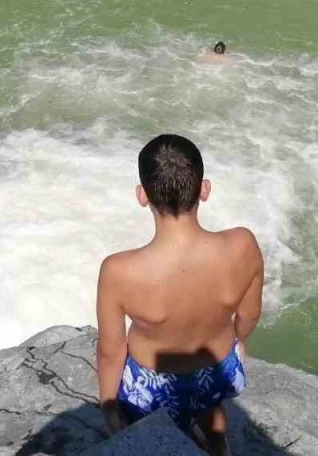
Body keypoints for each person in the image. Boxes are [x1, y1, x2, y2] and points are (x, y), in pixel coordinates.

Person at [96, 135, 264, 456]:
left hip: (154, 387)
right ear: (205, 189)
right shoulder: (243, 244)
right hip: (219, 370)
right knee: (211, 406)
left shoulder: (119, 270)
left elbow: (111, 351)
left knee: (156, 439)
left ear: (142, 196)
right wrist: (238, 343)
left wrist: (108, 406)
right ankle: (216, 443)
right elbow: (249, 315)